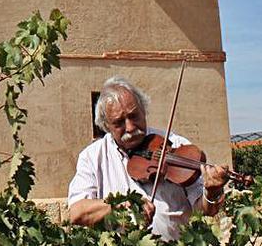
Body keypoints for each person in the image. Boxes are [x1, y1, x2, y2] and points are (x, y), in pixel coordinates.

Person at [67, 76, 230, 241]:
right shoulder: (92, 157)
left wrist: (212, 192)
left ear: (143, 110)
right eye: (119, 123)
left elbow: (204, 210)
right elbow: (77, 212)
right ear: (106, 126)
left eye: (134, 116)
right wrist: (119, 207)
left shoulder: (175, 144)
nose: (130, 127)